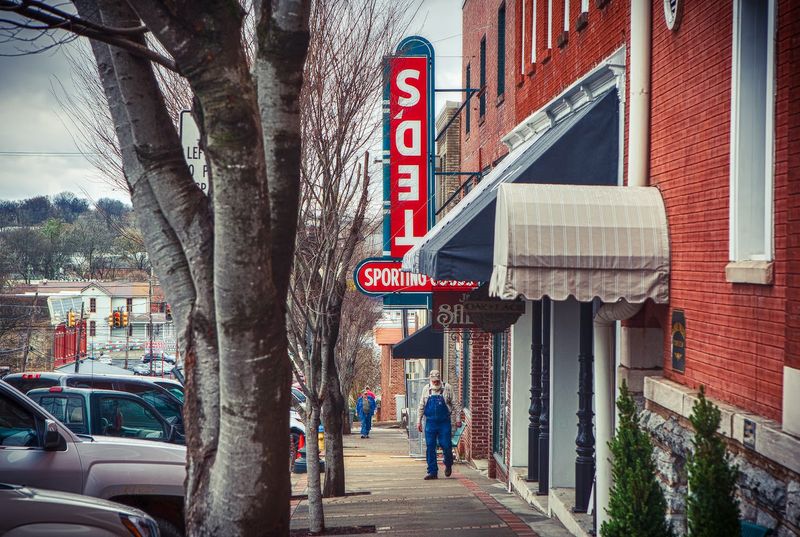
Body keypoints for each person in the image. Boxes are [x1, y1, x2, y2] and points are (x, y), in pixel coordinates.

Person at [417, 369, 461, 480]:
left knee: (446, 445)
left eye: (437, 380)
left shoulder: (447, 388)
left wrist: (458, 419)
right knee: (430, 446)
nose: (436, 383)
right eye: (434, 381)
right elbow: (421, 406)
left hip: (444, 422)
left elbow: (455, 404)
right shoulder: (426, 389)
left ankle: (448, 463)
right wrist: (419, 421)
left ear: (440, 379)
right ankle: (432, 471)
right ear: (430, 380)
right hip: (430, 423)